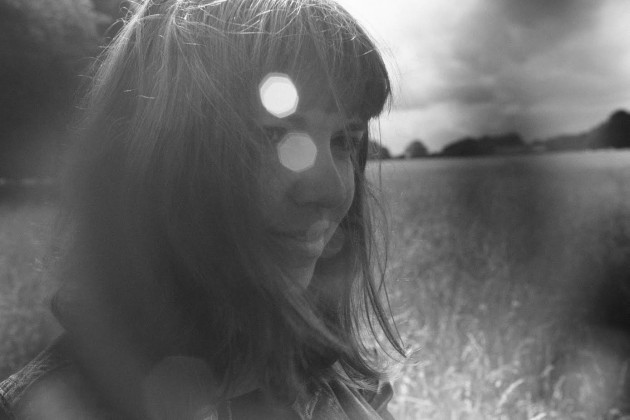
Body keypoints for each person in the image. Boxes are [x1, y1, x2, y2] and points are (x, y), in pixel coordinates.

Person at [0, 0, 405, 418]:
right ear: (150, 157)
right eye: (273, 134)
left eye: (344, 139)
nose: (331, 190)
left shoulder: (355, 393)